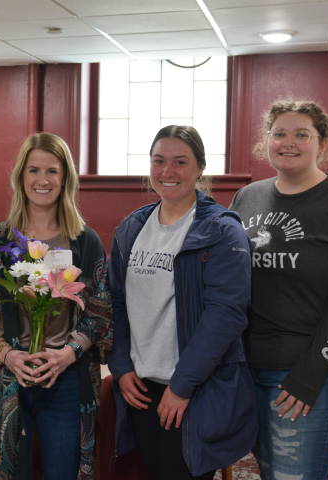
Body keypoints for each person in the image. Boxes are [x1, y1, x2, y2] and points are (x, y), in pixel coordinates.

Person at [229, 100, 328, 479]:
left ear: (324, 144)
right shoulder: (247, 197)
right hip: (251, 367)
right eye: (279, 133)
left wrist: (310, 372)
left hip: (319, 372)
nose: (289, 142)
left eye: (302, 134)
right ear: (265, 141)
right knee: (270, 471)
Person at [108, 125, 258, 480]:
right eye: (159, 161)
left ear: (200, 168)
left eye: (180, 161)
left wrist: (181, 386)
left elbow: (225, 316)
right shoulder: (132, 228)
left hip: (194, 388)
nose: (167, 172)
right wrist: (122, 367)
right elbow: (116, 302)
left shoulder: (222, 230)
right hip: (142, 387)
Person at [0, 132, 112, 480]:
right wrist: (7, 354)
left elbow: (100, 311)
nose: (43, 180)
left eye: (52, 171)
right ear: (21, 177)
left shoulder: (84, 241)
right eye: (34, 170)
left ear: (65, 179)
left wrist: (69, 353)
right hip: (6, 378)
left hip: (65, 378)